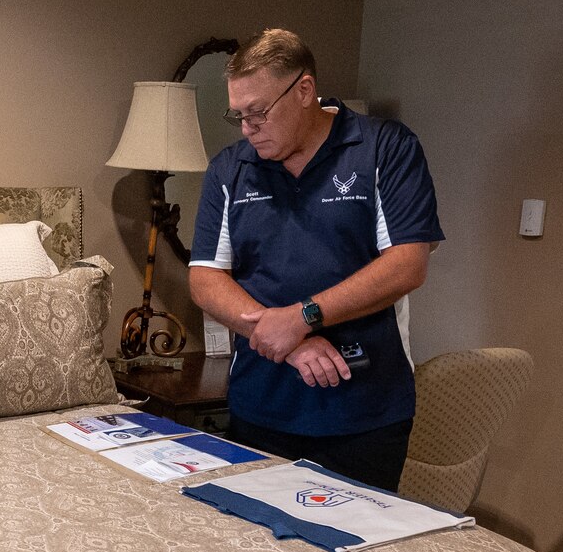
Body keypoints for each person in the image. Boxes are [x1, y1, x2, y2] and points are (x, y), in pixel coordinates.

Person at [182, 29, 443, 492]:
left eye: (258, 112)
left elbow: (408, 263)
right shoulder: (230, 169)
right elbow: (205, 278)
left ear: (304, 91)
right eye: (238, 115)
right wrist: (286, 336)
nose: (248, 128)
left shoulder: (385, 149)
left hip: (364, 409)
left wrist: (304, 317)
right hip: (260, 406)